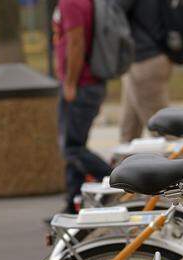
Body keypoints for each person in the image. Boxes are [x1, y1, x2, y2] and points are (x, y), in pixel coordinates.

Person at [54, 0, 111, 212]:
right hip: (89, 82)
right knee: (74, 144)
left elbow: (76, 42)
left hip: (81, 84)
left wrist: (70, 82)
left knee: (72, 148)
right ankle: (73, 203)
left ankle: (118, 180)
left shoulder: (71, 2)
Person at [118, 0, 172, 143]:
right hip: (147, 58)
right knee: (129, 129)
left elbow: (113, 9)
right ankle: (124, 164)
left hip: (144, 61)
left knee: (164, 133)